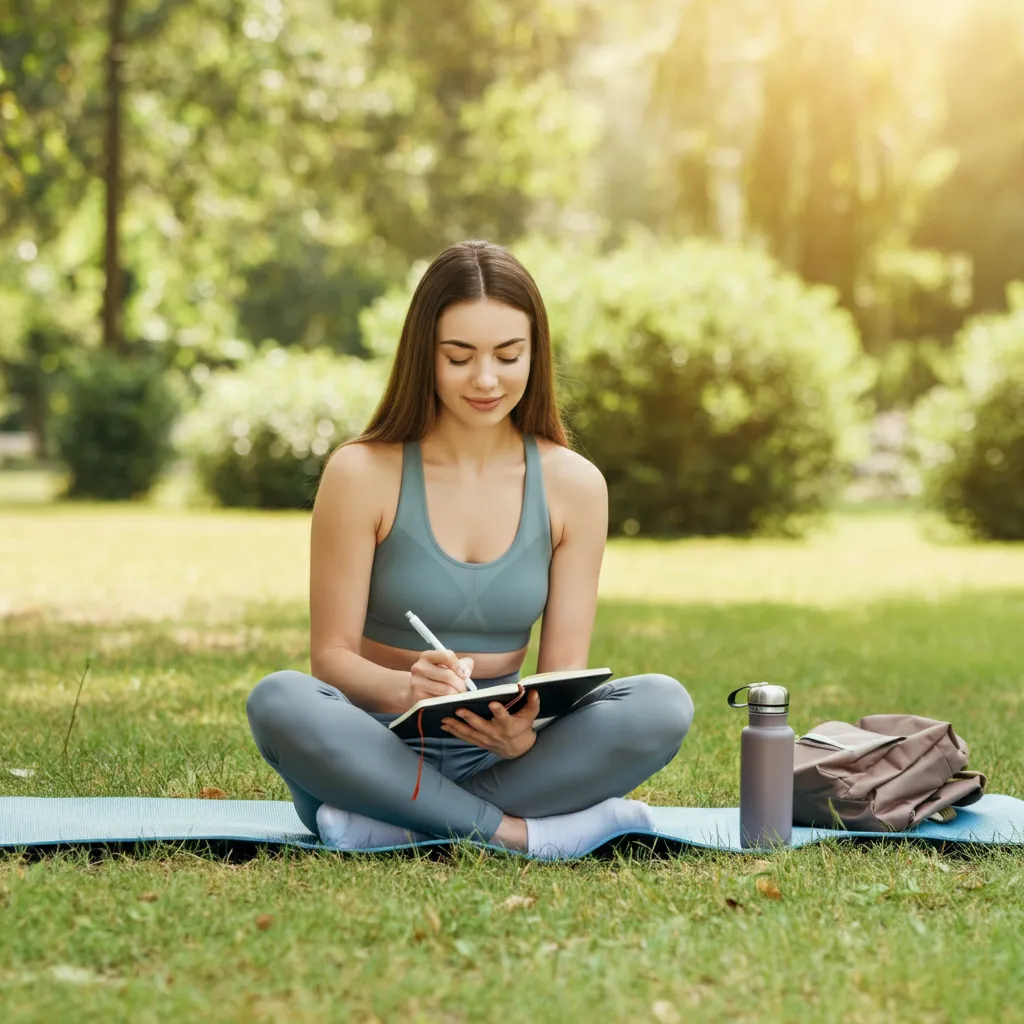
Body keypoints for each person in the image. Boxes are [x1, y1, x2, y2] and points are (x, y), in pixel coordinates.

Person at [245, 240, 695, 859]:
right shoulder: (361, 473)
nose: (487, 380)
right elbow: (331, 658)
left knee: (662, 705)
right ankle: (511, 835)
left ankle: (400, 825)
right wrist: (408, 690)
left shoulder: (575, 485)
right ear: (422, 358)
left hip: (508, 763)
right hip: (369, 751)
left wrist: (525, 735)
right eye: (460, 358)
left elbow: (563, 676)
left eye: (509, 356)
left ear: (535, 355)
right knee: (280, 698)